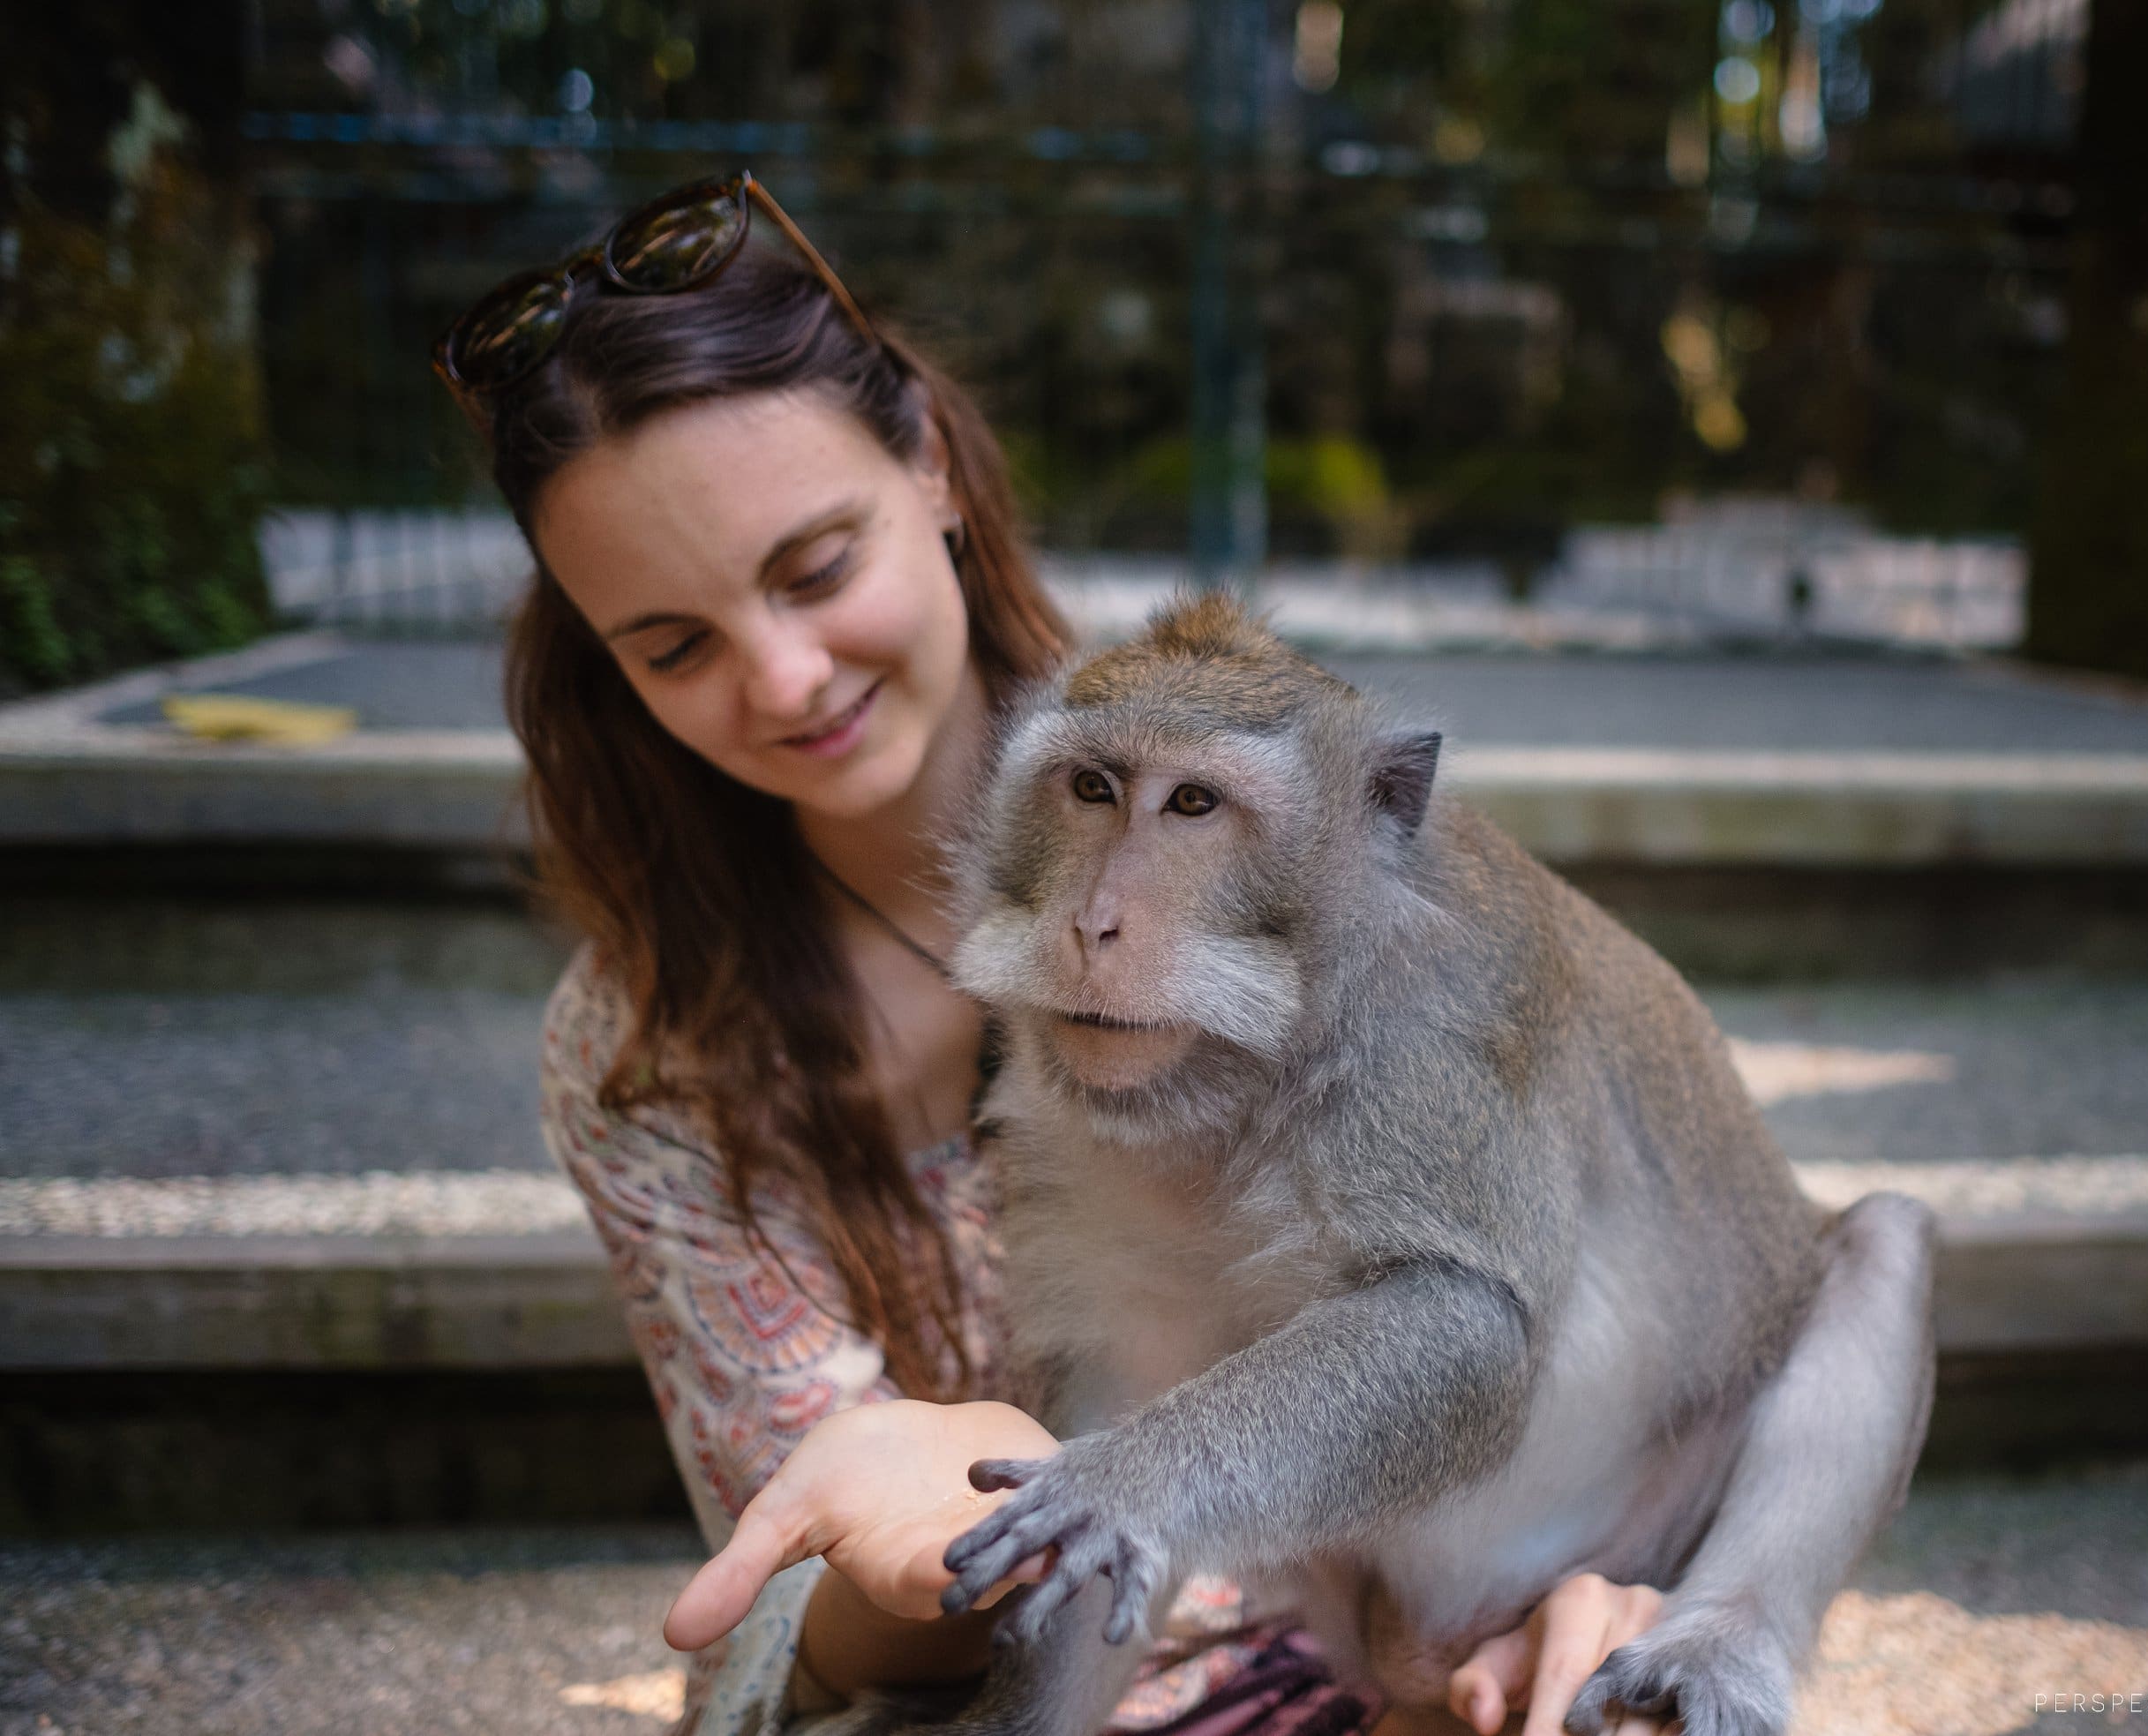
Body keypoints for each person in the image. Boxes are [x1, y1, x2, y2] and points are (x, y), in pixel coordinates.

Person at [442, 172, 1670, 1736]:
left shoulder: (1264, 788)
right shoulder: (652, 1043)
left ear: (935, 472)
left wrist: (1588, 1566)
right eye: (672, 646)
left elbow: (1532, 1288)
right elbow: (775, 1656)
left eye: (816, 568)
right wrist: (925, 1560)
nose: (784, 677)